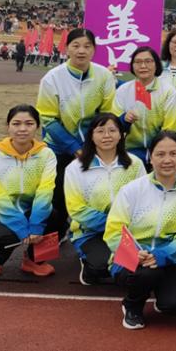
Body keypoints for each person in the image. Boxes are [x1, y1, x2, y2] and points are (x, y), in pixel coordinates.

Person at [105, 131, 176, 330]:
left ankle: (162, 295)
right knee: (146, 274)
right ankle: (132, 305)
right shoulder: (132, 190)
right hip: (134, 258)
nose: (167, 160)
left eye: (174, 154)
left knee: (175, 305)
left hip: (171, 259)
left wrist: (162, 255)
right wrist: (135, 254)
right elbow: (113, 231)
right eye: (160, 154)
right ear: (150, 156)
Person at [36, 28, 117, 236]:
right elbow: (48, 119)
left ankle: (91, 233)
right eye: (76, 45)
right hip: (59, 146)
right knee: (57, 195)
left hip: (94, 146)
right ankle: (57, 232)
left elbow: (107, 114)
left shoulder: (104, 76)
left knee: (94, 191)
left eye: (87, 46)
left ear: (94, 50)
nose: (81, 51)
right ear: (66, 48)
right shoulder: (52, 78)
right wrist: (74, 147)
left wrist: (94, 144)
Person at [0, 105, 58, 278]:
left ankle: (34, 261)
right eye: (16, 123)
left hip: (29, 210)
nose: (22, 129)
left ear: (37, 127)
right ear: (8, 126)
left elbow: (45, 191)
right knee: (8, 235)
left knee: (56, 218)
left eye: (29, 124)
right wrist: (22, 229)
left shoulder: (47, 154)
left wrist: (36, 226)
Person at [65, 113, 145, 285]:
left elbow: (144, 199)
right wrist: (113, 223)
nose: (107, 136)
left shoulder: (135, 164)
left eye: (112, 130)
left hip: (128, 231)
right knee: (101, 265)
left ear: (121, 134)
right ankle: (88, 265)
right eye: (100, 131)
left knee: (139, 266)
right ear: (91, 136)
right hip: (91, 232)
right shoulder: (75, 168)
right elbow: (76, 209)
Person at [113, 47, 176, 166]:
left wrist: (155, 153)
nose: (143, 66)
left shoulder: (168, 91)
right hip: (129, 152)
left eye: (148, 61)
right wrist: (124, 119)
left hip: (160, 152)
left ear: (156, 64)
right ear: (132, 66)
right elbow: (113, 124)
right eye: (138, 62)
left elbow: (170, 128)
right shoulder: (123, 91)